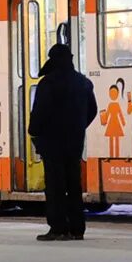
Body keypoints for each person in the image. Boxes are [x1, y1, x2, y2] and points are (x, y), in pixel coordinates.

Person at [27, 43, 98, 242]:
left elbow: (39, 113)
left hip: (53, 142)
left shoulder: (48, 83)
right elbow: (92, 110)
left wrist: (35, 131)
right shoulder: (83, 82)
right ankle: (77, 228)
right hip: (75, 142)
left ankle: (58, 228)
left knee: (56, 186)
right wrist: (78, 127)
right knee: (73, 184)